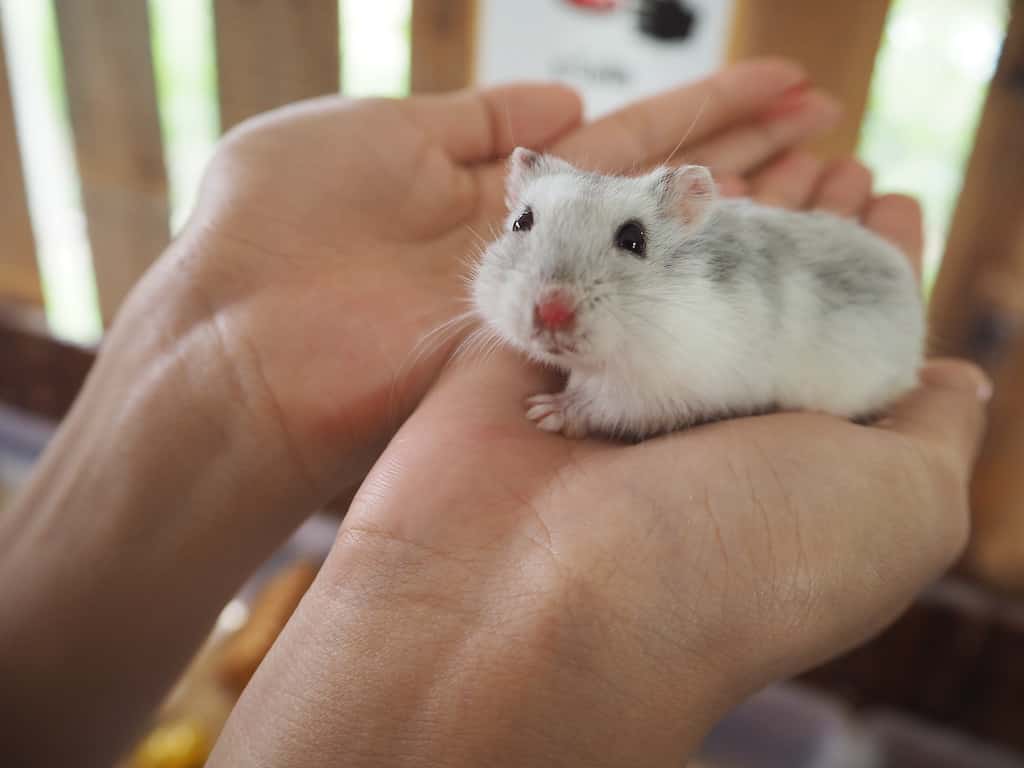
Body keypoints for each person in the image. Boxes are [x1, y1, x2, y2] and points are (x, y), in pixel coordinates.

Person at [1, 58, 989, 767]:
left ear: (681, 221)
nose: (552, 305)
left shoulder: (720, 310)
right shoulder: (546, 279)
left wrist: (600, 407)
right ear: (516, 203)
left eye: (630, 244)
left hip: (853, 339)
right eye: (525, 231)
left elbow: (680, 386)